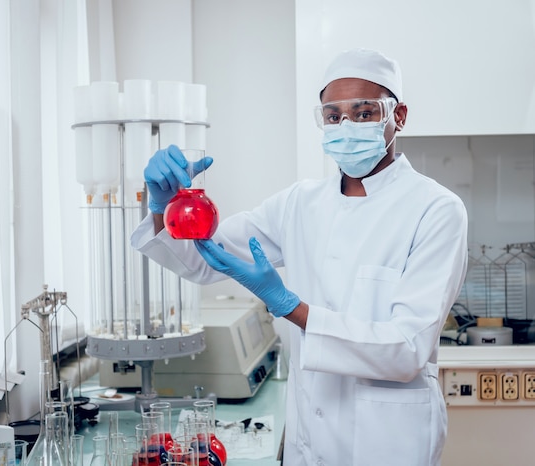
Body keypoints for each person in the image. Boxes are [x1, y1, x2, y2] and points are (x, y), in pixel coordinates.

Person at [131, 48, 468, 466]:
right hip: (311, 439)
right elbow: (204, 259)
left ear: (397, 116)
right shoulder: (299, 203)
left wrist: (291, 306)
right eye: (333, 115)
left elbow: (407, 349)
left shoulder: (436, 209)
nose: (346, 126)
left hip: (390, 444)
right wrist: (165, 207)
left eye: (364, 113)